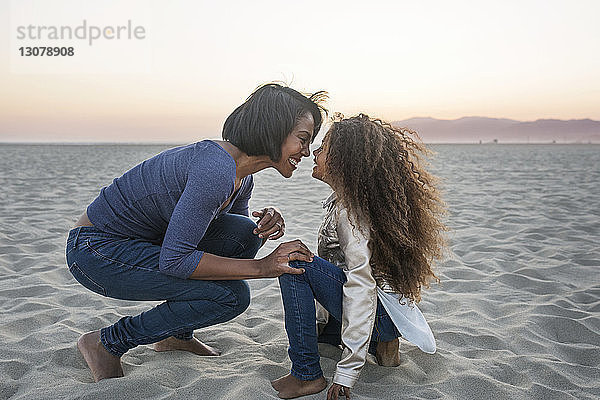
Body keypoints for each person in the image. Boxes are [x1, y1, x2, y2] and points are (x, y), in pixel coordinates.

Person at [65, 83, 327, 382]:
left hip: (139, 244)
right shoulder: (215, 169)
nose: (306, 152)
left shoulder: (241, 178)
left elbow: (229, 243)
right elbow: (176, 261)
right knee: (231, 297)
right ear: (273, 129)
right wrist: (262, 267)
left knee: (245, 233)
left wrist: (264, 226)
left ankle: (177, 336)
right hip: (95, 252)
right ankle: (107, 343)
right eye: (303, 139)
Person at [271, 114, 448, 399]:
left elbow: (361, 285)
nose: (314, 152)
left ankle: (306, 375)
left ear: (343, 160)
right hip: (383, 317)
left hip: (376, 317)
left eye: (323, 147)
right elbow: (337, 269)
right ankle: (369, 340)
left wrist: (347, 371)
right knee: (310, 264)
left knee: (293, 260)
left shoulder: (350, 212)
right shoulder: (347, 203)